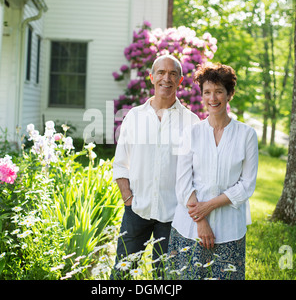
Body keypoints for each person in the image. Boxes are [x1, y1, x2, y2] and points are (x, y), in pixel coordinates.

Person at [111, 54, 200, 279]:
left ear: (180, 80)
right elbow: (121, 163)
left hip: (173, 215)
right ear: (152, 77)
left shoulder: (192, 122)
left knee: (166, 278)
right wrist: (128, 200)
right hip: (137, 210)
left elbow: (196, 173)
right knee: (121, 274)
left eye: (173, 73)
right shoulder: (134, 117)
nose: (166, 78)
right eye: (161, 72)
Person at [167, 62, 259, 280]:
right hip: (189, 228)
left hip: (229, 229)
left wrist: (208, 206)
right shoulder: (191, 133)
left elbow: (247, 184)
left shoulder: (247, 135)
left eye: (219, 91)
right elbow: (182, 183)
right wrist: (201, 221)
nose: (213, 98)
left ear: (230, 94)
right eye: (207, 92)